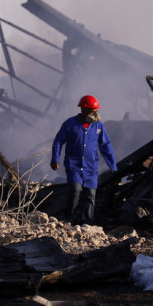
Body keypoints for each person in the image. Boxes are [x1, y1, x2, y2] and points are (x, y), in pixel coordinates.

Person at [50, 95, 117, 225]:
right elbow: (58, 141)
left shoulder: (98, 126)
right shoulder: (70, 124)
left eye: (96, 111)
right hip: (73, 166)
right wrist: (55, 158)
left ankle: (87, 222)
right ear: (83, 110)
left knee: (90, 195)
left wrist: (112, 165)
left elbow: (105, 145)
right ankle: (69, 220)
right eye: (92, 111)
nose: (95, 114)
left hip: (91, 167)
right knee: (75, 190)